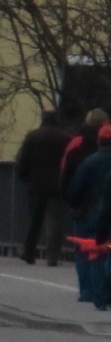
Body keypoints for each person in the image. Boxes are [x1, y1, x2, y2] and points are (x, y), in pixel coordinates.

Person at [15, 108, 72, 265]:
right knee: (55, 222)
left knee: (35, 220)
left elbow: (22, 161)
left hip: (35, 185)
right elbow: (70, 162)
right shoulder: (65, 138)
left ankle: (29, 251)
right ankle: (52, 256)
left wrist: (24, 177)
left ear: (43, 119)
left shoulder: (32, 137)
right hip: (57, 186)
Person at [63, 124, 111, 309]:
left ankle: (89, 292)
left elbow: (75, 189)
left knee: (92, 254)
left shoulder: (90, 162)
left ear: (100, 141)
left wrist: (75, 204)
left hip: (91, 215)